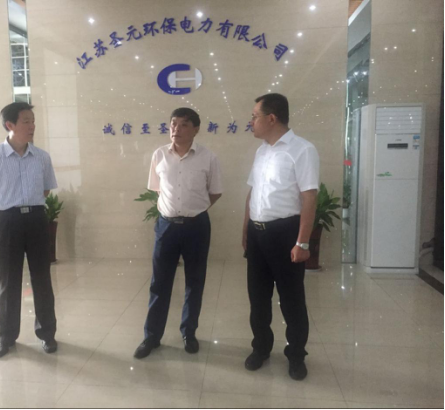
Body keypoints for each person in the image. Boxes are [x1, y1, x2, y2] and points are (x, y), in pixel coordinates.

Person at [134, 107, 223, 359]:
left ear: (196, 129)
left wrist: (194, 210)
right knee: (159, 283)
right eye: (173, 124)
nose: (176, 129)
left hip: (197, 227)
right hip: (167, 226)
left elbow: (215, 192)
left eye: (184, 124)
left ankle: (189, 333)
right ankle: (152, 336)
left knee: (195, 281)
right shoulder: (159, 155)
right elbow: (157, 188)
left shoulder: (208, 157)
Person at [242, 93, 319, 380]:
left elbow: (309, 197)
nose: (251, 121)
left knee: (291, 299)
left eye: (254, 116)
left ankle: (296, 355)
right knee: (258, 297)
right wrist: (246, 229)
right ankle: (261, 347)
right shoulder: (262, 151)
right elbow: (252, 192)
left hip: (285, 233)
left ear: (271, 118)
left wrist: (302, 242)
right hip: (257, 233)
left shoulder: (302, 150)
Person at [0, 102, 58, 359]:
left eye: (33, 120)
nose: (32, 125)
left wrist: (28, 209)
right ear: (10, 125)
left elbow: (46, 190)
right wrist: (6, 216)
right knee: (7, 281)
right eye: (26, 121)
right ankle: (6, 338)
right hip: (7, 221)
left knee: (42, 279)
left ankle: (47, 334)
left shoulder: (42, 157)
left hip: (36, 219)